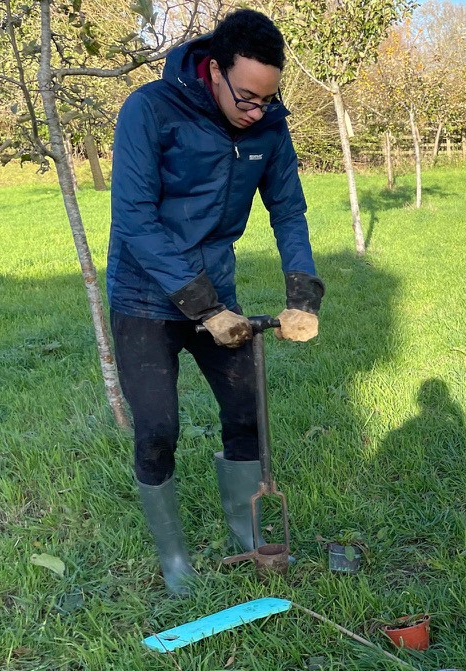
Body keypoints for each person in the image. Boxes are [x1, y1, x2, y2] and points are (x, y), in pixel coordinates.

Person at [108, 9, 323, 595]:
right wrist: (203, 307)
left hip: (217, 292)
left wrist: (302, 294)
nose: (258, 111)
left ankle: (246, 538)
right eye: (247, 97)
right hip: (144, 295)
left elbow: (289, 210)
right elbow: (134, 219)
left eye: (268, 100)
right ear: (214, 69)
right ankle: (175, 562)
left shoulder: (268, 128)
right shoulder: (149, 111)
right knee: (157, 428)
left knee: (248, 414)